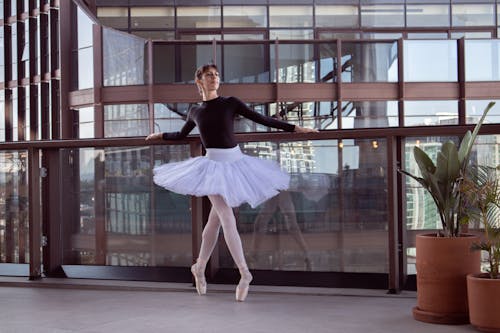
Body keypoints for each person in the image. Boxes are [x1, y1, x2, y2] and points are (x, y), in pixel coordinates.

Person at [146, 63, 317, 301]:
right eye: (209, 75)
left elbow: (262, 119)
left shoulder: (231, 103)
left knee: (214, 221)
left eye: (216, 75)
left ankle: (199, 267)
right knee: (226, 217)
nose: (214, 78)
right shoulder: (195, 111)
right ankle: (245, 273)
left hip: (236, 164)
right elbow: (182, 135)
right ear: (199, 81)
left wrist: (295, 128)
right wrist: (160, 135)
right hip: (212, 168)